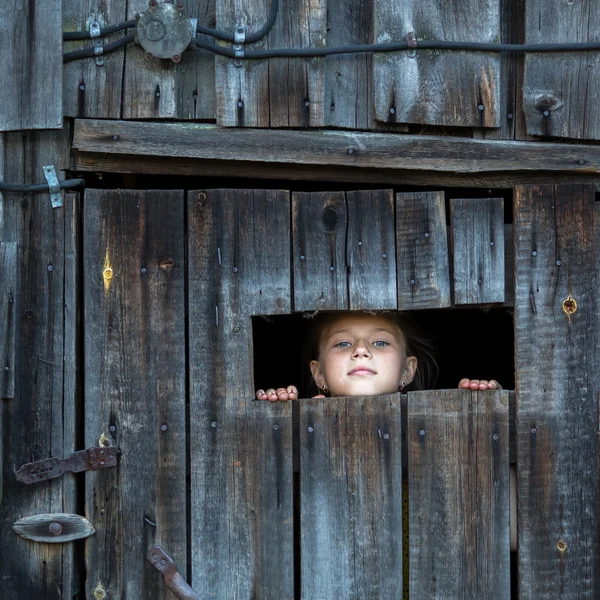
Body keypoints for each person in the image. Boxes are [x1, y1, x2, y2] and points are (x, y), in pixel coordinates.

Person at [255, 310, 500, 401]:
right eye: (342, 343)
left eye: (380, 342)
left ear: (408, 370)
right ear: (319, 374)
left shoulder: (426, 431)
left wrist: (488, 410)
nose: (361, 350)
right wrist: (284, 419)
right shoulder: (301, 425)